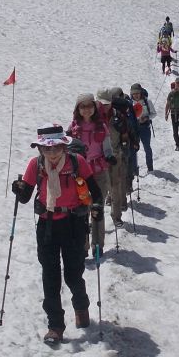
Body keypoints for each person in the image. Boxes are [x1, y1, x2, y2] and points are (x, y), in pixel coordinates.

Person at [12, 123, 104, 343]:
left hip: (74, 223)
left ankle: (81, 305)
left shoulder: (77, 162)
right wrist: (19, 188)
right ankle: (55, 326)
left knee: (73, 274)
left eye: (55, 148)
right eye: (46, 149)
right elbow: (25, 197)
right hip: (47, 226)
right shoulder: (36, 165)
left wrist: (97, 209)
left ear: (64, 146)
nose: (51, 153)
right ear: (40, 149)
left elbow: (96, 192)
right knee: (50, 276)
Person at [68, 93, 113, 253]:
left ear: (95, 107)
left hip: (99, 172)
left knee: (97, 208)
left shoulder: (102, 126)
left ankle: (98, 245)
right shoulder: (73, 129)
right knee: (81, 211)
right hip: (80, 175)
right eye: (83, 106)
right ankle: (83, 244)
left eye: (89, 105)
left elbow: (107, 147)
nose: (86, 109)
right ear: (78, 109)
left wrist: (110, 156)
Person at [97, 88, 131, 227]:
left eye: (107, 103)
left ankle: (116, 216)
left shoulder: (118, 116)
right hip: (97, 159)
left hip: (115, 156)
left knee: (115, 187)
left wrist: (124, 149)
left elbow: (125, 135)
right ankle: (95, 220)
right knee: (98, 191)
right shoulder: (92, 117)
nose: (105, 106)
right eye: (102, 103)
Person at [129, 83, 154, 173]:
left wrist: (147, 118)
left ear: (141, 93)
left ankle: (150, 168)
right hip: (134, 130)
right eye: (134, 93)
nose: (136, 95)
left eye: (137, 93)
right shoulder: (130, 103)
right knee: (134, 149)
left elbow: (153, 114)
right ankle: (134, 170)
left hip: (145, 128)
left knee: (147, 147)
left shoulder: (147, 102)